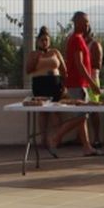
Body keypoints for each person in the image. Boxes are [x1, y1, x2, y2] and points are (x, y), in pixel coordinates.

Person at [53, 12, 99, 155]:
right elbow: (79, 64)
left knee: (81, 117)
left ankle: (86, 147)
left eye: (88, 22)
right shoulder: (77, 40)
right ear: (77, 22)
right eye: (85, 22)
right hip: (77, 83)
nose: (87, 25)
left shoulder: (76, 39)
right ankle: (55, 138)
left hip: (78, 83)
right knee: (81, 116)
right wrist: (92, 83)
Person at [25, 27, 66, 156]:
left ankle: (57, 138)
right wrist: (36, 59)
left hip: (55, 83)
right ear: (37, 41)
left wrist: (65, 85)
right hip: (40, 84)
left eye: (47, 40)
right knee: (43, 112)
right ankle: (43, 139)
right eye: (42, 40)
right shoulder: (33, 54)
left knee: (55, 111)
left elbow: (64, 69)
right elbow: (28, 70)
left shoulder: (55, 52)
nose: (44, 42)